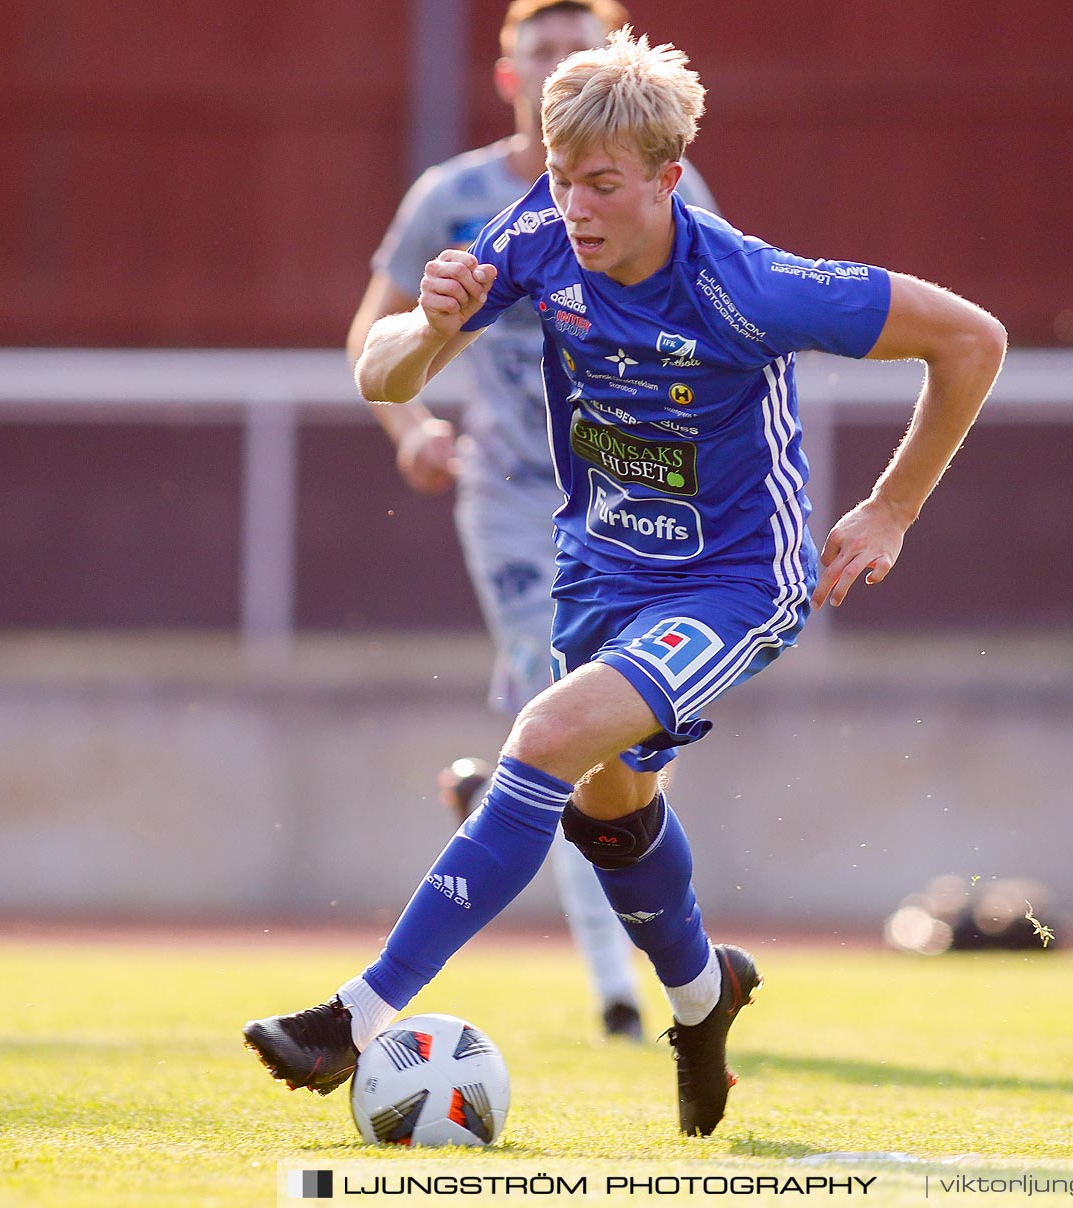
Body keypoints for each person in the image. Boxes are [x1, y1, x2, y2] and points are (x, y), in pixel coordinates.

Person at [246, 30, 1007, 1137]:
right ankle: (704, 999)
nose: (576, 207)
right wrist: (434, 323)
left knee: (545, 735)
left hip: (737, 581)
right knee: (614, 809)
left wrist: (891, 507)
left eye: (602, 185)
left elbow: (972, 339)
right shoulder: (537, 237)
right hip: (600, 569)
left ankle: (354, 1016)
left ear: (666, 176)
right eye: (559, 180)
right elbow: (381, 368)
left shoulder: (748, 283)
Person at [345, 0, 720, 1045]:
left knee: (621, 756)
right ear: (511, 76)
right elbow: (373, 332)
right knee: (558, 718)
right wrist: (409, 425)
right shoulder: (457, 198)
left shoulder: (660, 186)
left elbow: (725, 312)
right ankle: (617, 992)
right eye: (540, 51)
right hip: (516, 498)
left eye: (578, 49)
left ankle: (509, 800)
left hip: (638, 507)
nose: (560, 63)